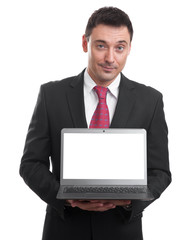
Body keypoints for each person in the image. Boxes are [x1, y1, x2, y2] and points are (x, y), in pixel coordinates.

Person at [19, 6, 171, 240]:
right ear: (85, 43)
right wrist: (65, 197)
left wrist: (131, 201)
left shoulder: (150, 101)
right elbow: (31, 164)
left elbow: (160, 172)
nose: (111, 58)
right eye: (101, 46)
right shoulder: (52, 95)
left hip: (122, 230)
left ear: (129, 48)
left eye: (119, 47)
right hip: (64, 229)